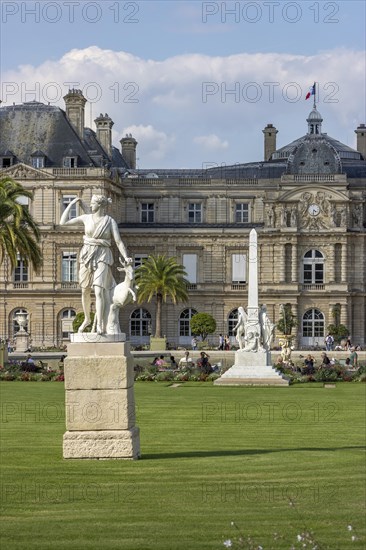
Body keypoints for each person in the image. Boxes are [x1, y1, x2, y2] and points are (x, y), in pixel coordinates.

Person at [60, 195, 131, 335]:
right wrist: (72, 203)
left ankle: (99, 324)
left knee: (99, 291)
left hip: (103, 255)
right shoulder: (86, 218)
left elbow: (118, 242)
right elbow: (62, 222)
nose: (90, 205)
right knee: (85, 290)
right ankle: (87, 319)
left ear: (99, 205)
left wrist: (126, 257)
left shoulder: (110, 221)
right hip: (87, 254)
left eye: (92, 203)